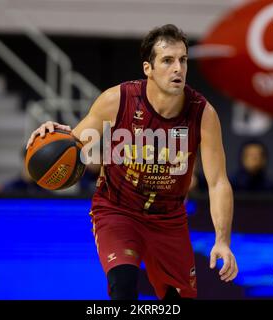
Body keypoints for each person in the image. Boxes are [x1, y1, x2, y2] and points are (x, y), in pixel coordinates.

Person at [26, 24, 237, 300]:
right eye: (168, 60)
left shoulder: (203, 114)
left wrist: (222, 240)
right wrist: (55, 134)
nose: (178, 68)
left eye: (183, 60)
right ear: (148, 68)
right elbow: (75, 145)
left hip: (168, 219)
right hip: (118, 210)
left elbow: (218, 181)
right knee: (122, 287)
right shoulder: (117, 100)